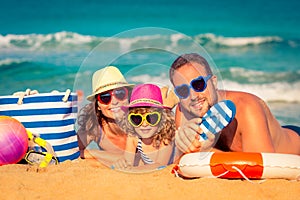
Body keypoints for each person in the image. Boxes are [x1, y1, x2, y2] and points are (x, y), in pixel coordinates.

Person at [169, 53, 300, 155]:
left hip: (294, 144)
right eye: (183, 90)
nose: (192, 96)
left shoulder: (247, 107)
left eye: (198, 84)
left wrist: (206, 152)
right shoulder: (184, 110)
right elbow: (182, 159)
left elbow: (260, 166)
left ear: (214, 82)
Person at [77, 66, 134, 166]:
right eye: (105, 97)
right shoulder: (94, 126)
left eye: (120, 93)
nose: (114, 101)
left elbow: (140, 159)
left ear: (128, 96)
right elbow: (72, 152)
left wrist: (94, 153)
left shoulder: (141, 120)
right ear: (98, 105)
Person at [112, 83, 176, 171]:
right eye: (137, 119)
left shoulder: (166, 136)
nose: (144, 124)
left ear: (162, 118)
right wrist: (122, 163)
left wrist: (133, 170)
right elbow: (128, 162)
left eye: (152, 118)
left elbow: (160, 165)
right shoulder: (133, 137)